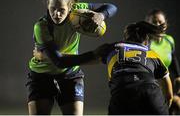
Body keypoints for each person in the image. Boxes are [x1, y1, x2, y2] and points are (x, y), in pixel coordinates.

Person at [34, 21, 173, 114]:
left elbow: (80, 60)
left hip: (122, 93)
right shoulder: (152, 54)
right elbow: (167, 88)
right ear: (146, 41)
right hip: (150, 92)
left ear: (125, 37)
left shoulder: (112, 48)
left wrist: (45, 55)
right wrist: (166, 103)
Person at [26, 0, 117, 115]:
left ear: (71, 7)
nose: (56, 14)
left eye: (62, 10)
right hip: (41, 75)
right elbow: (59, 61)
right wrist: (94, 54)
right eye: (52, 9)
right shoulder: (41, 26)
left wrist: (100, 15)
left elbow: (112, 7)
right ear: (47, 6)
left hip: (70, 74)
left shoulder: (77, 10)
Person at [145, 9, 180, 114]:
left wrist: (178, 76)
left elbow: (172, 58)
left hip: (167, 83)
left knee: (177, 105)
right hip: (150, 85)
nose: (158, 25)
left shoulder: (169, 40)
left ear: (166, 24)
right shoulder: (145, 43)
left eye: (160, 22)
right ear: (147, 25)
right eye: (154, 22)